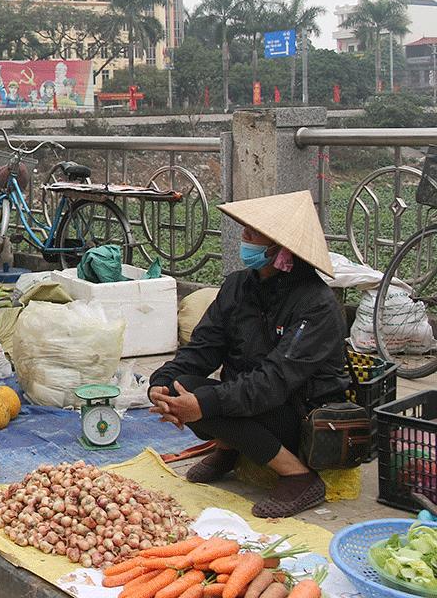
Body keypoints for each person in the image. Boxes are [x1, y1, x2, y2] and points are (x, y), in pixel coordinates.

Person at [147, 190, 348, 518]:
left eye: (253, 233)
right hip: (253, 401)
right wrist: (160, 383)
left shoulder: (317, 304)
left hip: (300, 413)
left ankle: (298, 475)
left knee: (211, 401)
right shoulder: (238, 286)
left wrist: (206, 404)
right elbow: (203, 347)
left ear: (278, 248)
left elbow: (274, 381)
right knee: (179, 386)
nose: (244, 238)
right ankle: (229, 449)